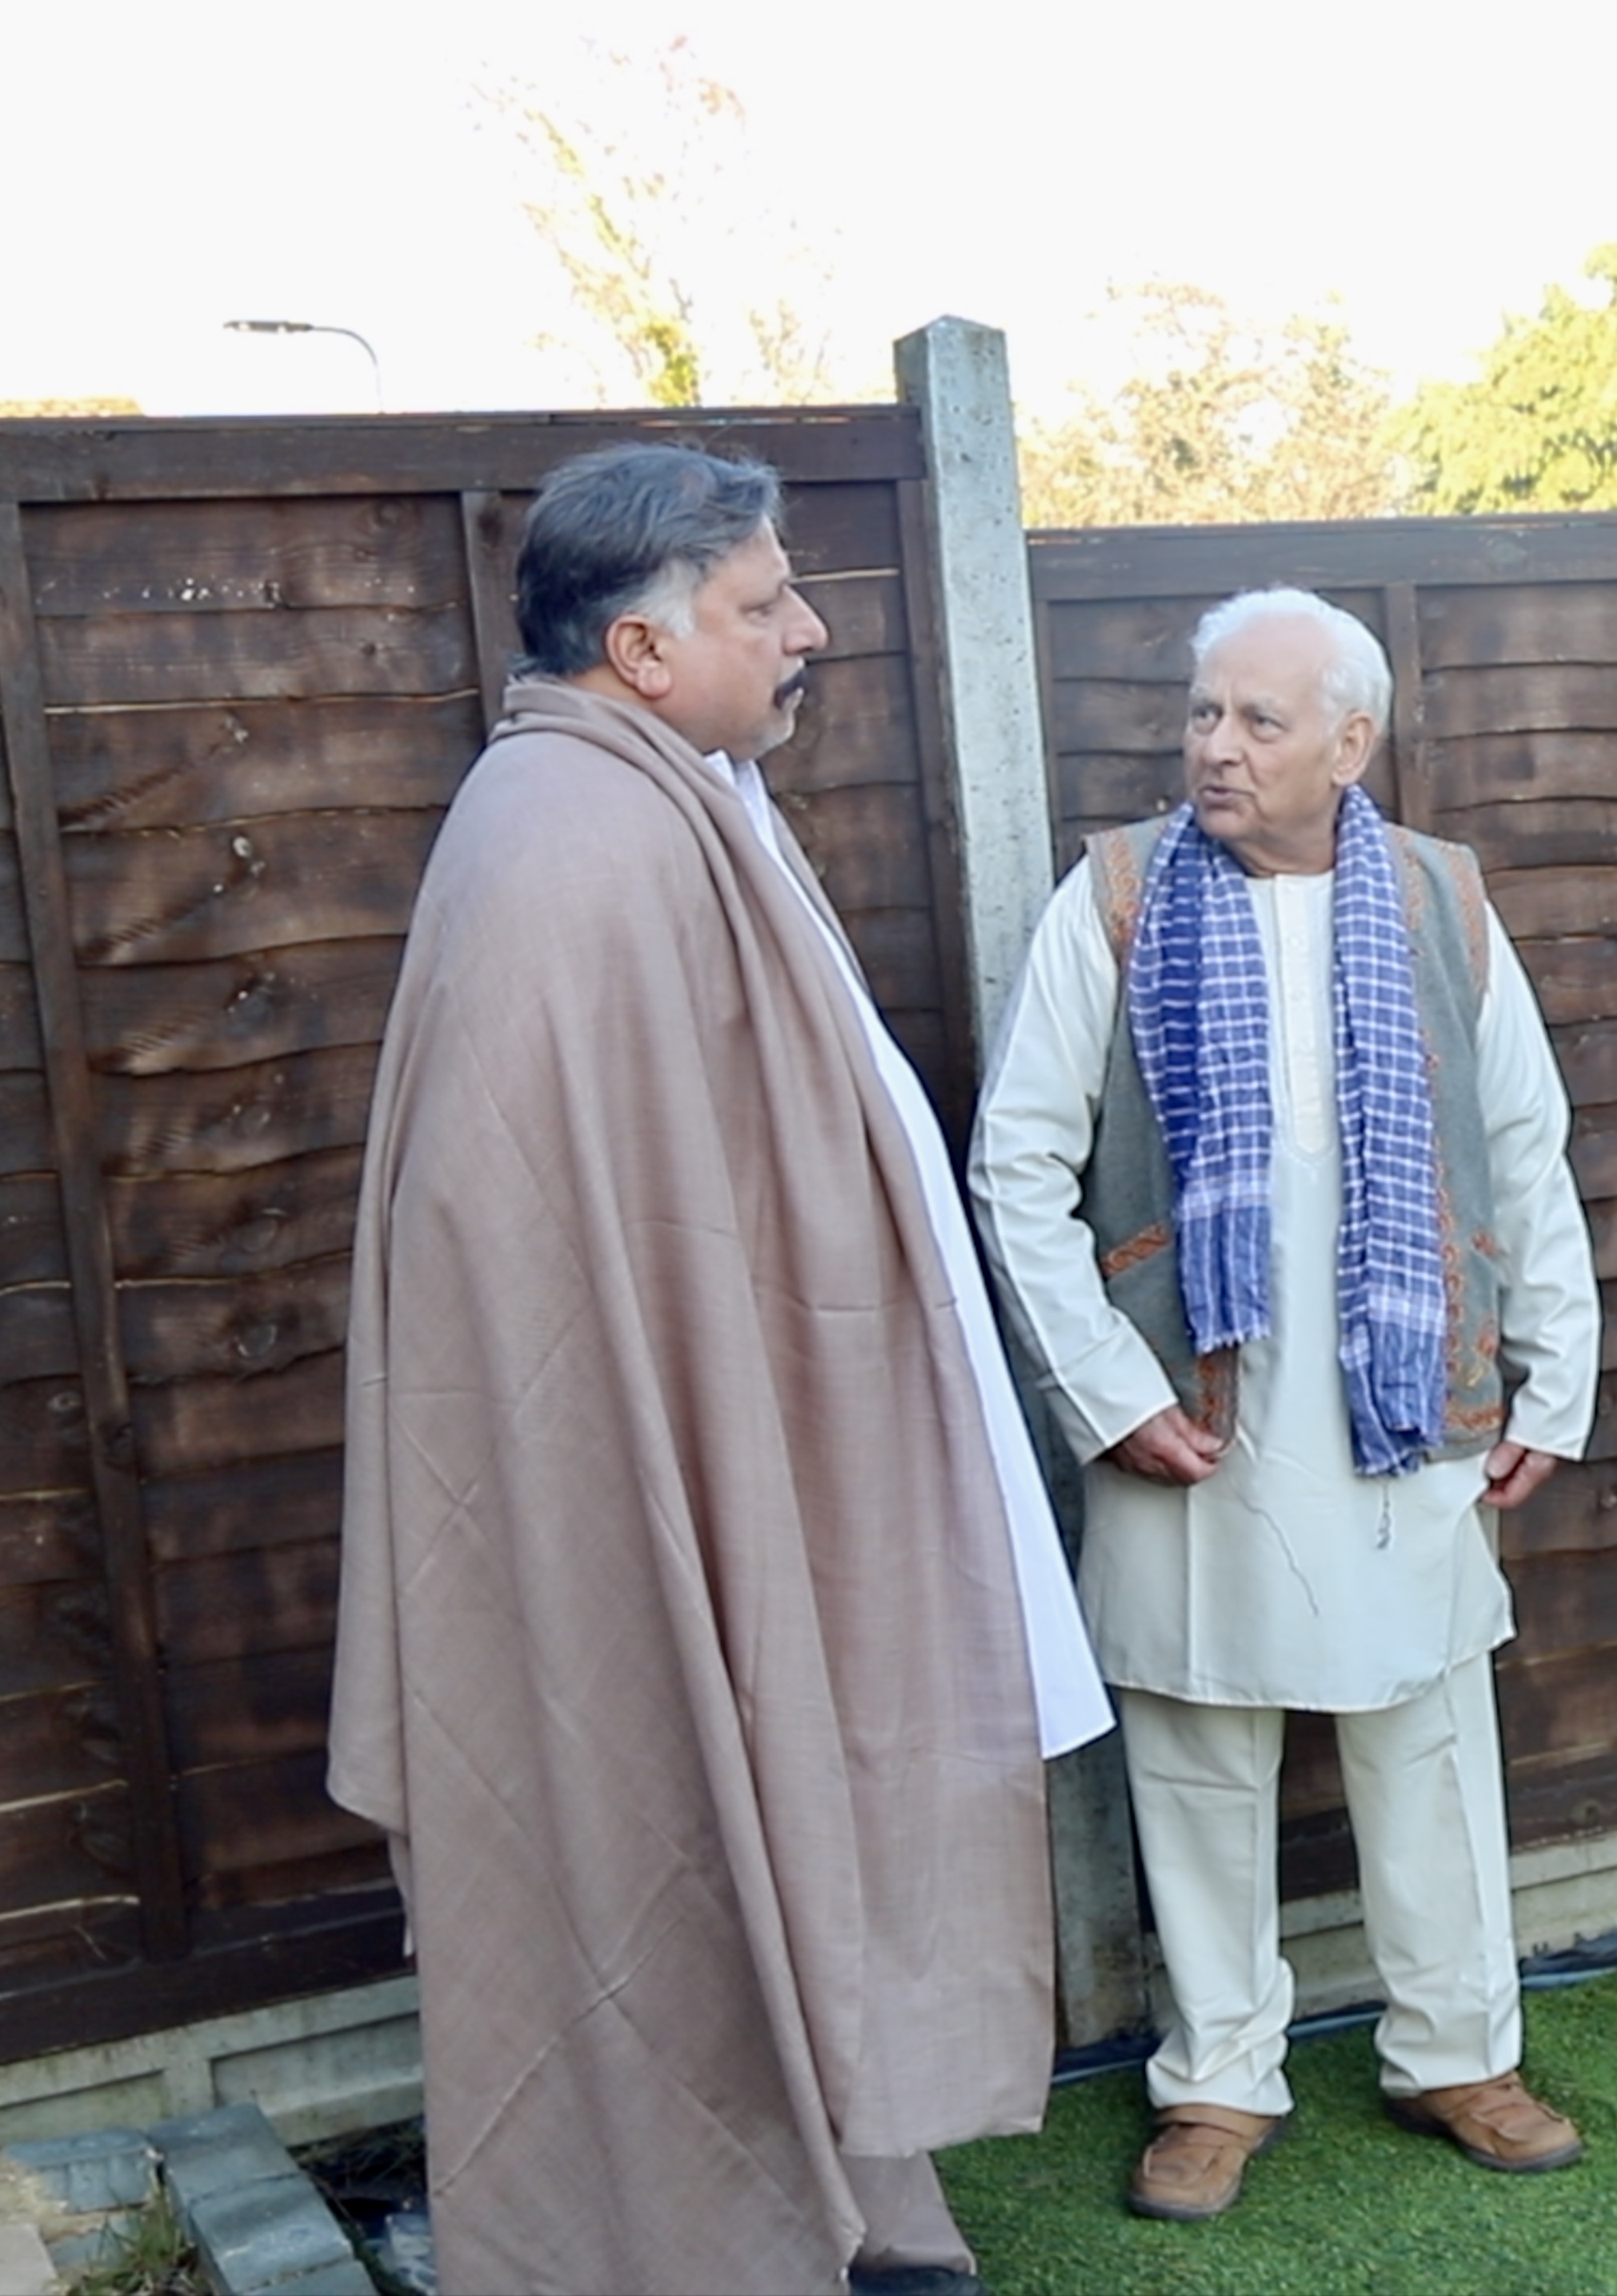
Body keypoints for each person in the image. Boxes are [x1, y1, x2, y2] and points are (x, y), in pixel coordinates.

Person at [328, 442, 1108, 2296]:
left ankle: (841, 2198)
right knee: (658, 1815)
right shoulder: (570, 845)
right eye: (764, 604)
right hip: (645, 1483)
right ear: (642, 642)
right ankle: (698, 2238)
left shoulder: (673, 796)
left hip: (751, 1440)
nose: (809, 630)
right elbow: (550, 1265)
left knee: (785, 1821)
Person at [973, 587, 1602, 2224]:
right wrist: (1105, 1395)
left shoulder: (1439, 897)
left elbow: (1523, 1146)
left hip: (1409, 1396)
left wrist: (1555, 1368)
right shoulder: (1113, 896)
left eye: (1255, 720)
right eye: (1200, 713)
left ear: (1349, 741)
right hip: (1193, 1409)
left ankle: (1458, 2048)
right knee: (1193, 1743)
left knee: (1429, 1730)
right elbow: (1018, 1163)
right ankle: (1213, 2080)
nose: (1214, 748)